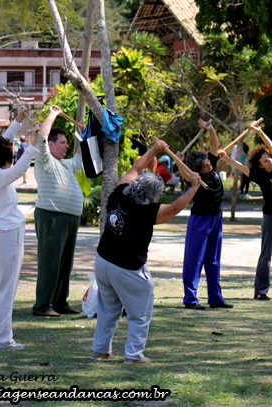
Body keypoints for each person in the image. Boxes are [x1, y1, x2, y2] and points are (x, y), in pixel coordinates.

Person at [91, 140, 202, 363]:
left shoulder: (120, 192)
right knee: (139, 314)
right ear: (153, 196)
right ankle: (133, 355)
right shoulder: (148, 211)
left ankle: (100, 351)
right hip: (127, 268)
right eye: (158, 194)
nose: (159, 198)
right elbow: (175, 208)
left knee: (108, 310)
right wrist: (194, 187)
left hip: (103, 262)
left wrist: (153, 150)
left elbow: (135, 169)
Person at [217, 120, 272, 301]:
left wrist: (259, 131)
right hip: (271, 217)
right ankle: (261, 291)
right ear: (260, 165)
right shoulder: (257, 174)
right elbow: (239, 167)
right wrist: (224, 158)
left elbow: (271, 146)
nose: (269, 159)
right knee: (266, 254)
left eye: (269, 157)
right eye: (265, 159)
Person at [0, 107, 39, 350]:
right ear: (5, 160)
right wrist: (33, 144)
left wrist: (17, 122)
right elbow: (19, 169)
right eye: (11, 154)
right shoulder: (0, 176)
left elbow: (1, 146)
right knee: (6, 288)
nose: (12, 155)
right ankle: (2, 339)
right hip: (7, 236)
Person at [31, 105, 84, 317]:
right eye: (62, 143)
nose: (66, 146)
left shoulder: (64, 164)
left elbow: (79, 158)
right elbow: (42, 137)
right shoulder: (44, 159)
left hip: (70, 218)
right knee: (50, 262)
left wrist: (82, 133)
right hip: (51, 216)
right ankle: (42, 305)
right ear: (50, 144)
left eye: (66, 142)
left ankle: (60, 302)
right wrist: (52, 114)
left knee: (64, 264)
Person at [177, 119, 233, 310]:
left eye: (209, 162)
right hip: (200, 220)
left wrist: (210, 129)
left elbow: (214, 145)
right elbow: (184, 173)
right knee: (194, 259)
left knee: (213, 259)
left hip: (216, 218)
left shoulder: (213, 165)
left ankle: (215, 298)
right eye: (206, 165)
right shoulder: (194, 178)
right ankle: (190, 299)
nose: (209, 164)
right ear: (197, 169)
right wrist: (178, 160)